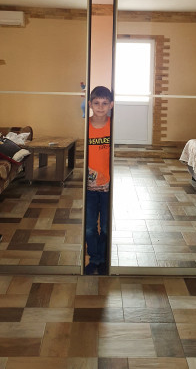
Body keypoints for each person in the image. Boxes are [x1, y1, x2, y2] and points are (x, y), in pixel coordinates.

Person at [85, 85, 113, 275]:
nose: (100, 107)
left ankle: (102, 259)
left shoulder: (113, 126)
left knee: (105, 226)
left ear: (111, 105)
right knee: (89, 227)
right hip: (89, 187)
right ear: (90, 104)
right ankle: (94, 258)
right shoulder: (85, 126)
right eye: (96, 103)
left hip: (108, 186)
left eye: (104, 103)